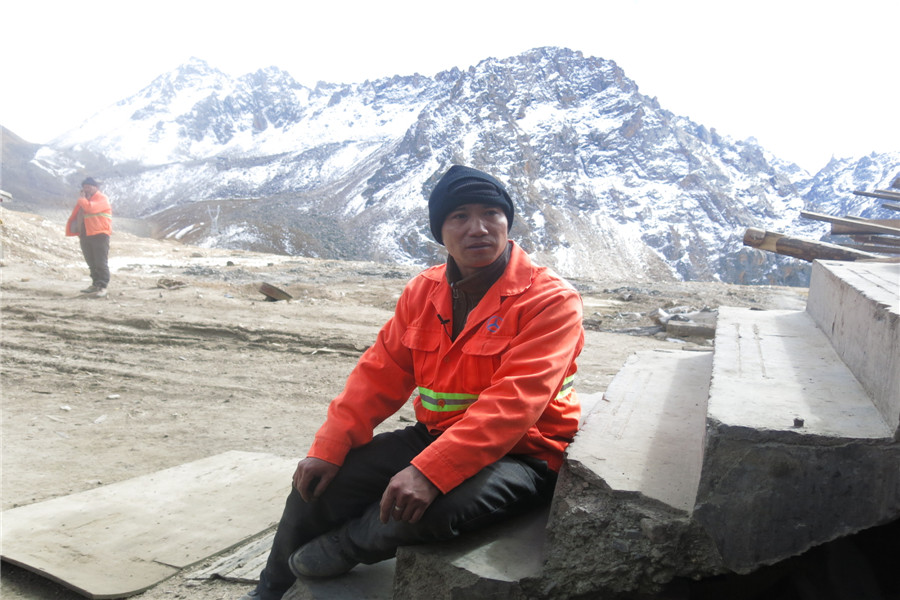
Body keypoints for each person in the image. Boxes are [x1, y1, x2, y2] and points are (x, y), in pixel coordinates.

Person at [240, 165, 585, 600]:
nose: (477, 228)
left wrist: (429, 472)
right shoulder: (423, 291)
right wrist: (329, 447)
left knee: (429, 510)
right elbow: (378, 373)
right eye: (459, 216)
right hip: (434, 435)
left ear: (507, 222)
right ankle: (270, 591)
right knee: (321, 482)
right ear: (440, 231)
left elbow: (514, 404)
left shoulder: (551, 300)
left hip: (526, 454)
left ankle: (343, 547)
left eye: (491, 214)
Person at [66, 177, 112, 297]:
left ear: (95, 188)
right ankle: (95, 284)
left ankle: (102, 286)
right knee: (91, 262)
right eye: (84, 187)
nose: (86, 189)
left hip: (100, 234)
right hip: (86, 234)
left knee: (100, 262)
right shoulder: (85, 200)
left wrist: (81, 199)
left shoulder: (102, 198)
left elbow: (90, 208)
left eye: (89, 187)